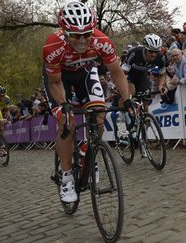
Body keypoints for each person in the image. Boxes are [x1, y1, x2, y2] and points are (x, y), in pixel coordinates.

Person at [42, 1, 133, 203]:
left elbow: (117, 72)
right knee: (67, 122)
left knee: (99, 115)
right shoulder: (52, 46)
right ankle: (66, 178)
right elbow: (55, 82)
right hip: (60, 78)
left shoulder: (102, 41)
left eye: (87, 33)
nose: (82, 40)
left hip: (85, 73)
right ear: (64, 31)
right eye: (75, 35)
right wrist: (64, 104)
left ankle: (88, 151)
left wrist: (127, 100)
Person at [121, 33, 167, 99]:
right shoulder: (134, 53)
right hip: (130, 75)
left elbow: (162, 74)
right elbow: (123, 72)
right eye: (151, 51)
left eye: (156, 51)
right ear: (145, 49)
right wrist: (120, 85)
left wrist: (161, 86)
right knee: (130, 94)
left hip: (142, 76)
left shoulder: (160, 57)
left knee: (146, 99)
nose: (154, 54)